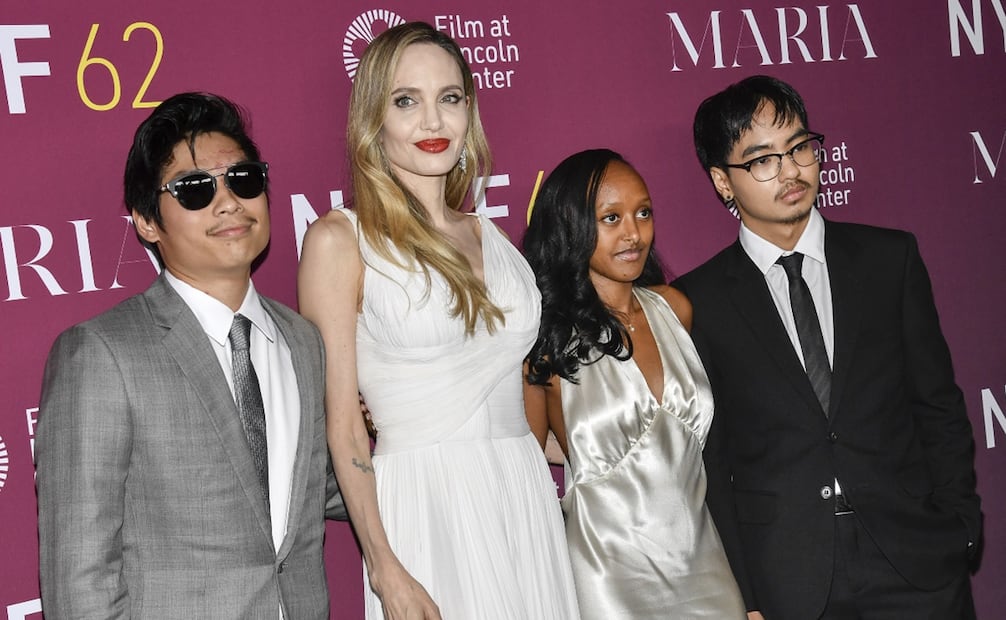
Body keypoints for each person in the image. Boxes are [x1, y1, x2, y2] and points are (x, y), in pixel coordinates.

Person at [297, 22, 580, 620]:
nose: (433, 122)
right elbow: (344, 426)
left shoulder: (492, 235)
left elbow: (519, 387)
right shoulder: (339, 240)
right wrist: (383, 564)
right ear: (374, 120)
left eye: (450, 99)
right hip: (424, 501)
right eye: (406, 102)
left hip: (521, 488)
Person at [673, 75, 981, 619]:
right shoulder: (697, 302)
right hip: (790, 577)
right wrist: (742, 590)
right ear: (723, 182)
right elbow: (712, 463)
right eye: (762, 159)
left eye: (799, 147)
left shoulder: (890, 260)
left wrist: (960, 531)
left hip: (916, 562)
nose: (791, 170)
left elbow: (938, 407)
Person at [35, 92, 343, 619]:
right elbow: (79, 575)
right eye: (195, 190)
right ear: (147, 222)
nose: (228, 203)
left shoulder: (303, 341)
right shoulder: (101, 354)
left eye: (243, 180)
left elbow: (321, 490)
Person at [523, 149, 747, 619]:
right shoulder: (544, 344)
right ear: (571, 228)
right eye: (610, 218)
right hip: (607, 578)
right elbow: (523, 461)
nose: (633, 233)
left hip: (704, 565)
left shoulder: (675, 309)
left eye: (643, 212)